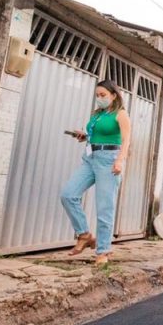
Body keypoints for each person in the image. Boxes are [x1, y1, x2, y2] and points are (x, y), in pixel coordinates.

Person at [61, 80, 131, 267]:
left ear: (113, 95)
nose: (99, 99)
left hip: (109, 160)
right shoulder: (97, 114)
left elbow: (126, 140)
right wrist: (84, 135)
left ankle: (103, 251)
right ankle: (84, 234)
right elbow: (94, 133)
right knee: (68, 195)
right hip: (90, 158)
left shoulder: (121, 114)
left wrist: (120, 161)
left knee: (104, 208)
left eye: (103, 95)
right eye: (97, 96)